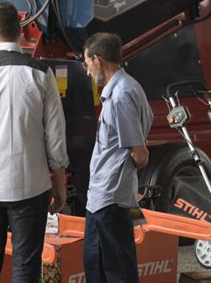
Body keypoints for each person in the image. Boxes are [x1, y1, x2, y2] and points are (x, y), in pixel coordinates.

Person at [0, 2, 68, 283]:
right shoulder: (41, 74)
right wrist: (59, 184)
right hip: (31, 186)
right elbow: (55, 137)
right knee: (26, 264)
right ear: (20, 33)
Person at [82, 33, 153, 283]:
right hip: (102, 197)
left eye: (87, 63)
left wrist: (119, 172)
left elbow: (140, 154)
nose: (88, 72)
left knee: (117, 270)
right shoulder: (128, 87)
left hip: (110, 197)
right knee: (97, 265)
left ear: (98, 60)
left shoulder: (121, 96)